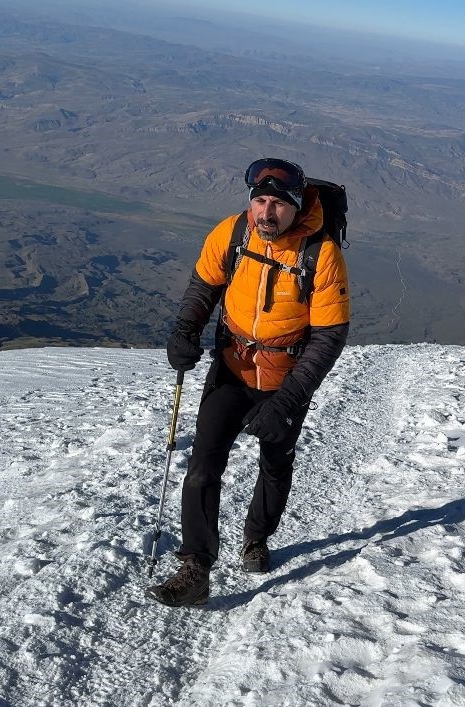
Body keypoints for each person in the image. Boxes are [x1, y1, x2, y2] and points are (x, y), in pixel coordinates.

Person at [147, 157, 351, 607]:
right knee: (203, 465)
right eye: (259, 201)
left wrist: (289, 400)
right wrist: (184, 331)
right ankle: (195, 567)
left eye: (277, 204)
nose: (266, 213)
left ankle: (257, 539)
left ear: (296, 207)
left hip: (286, 380)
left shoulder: (321, 254)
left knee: (275, 463)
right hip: (232, 368)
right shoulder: (233, 233)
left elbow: (330, 335)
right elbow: (204, 285)